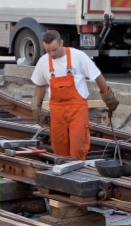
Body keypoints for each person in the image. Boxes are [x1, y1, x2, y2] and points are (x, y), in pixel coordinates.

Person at [30, 31, 119, 160]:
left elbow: (97, 76)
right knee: (59, 148)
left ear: (61, 43)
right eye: (48, 51)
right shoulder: (43, 62)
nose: (52, 54)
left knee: (78, 148)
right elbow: (40, 85)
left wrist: (108, 98)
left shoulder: (78, 56)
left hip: (77, 110)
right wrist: (36, 107)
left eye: (54, 50)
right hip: (57, 111)